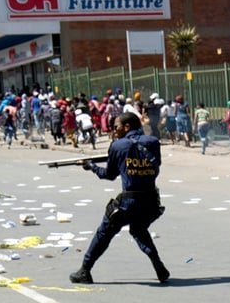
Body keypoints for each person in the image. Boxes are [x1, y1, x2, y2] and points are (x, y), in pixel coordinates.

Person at [69, 111, 170, 285]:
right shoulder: (153, 142)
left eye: (116, 127)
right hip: (151, 201)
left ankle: (85, 270)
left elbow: (109, 175)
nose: (114, 130)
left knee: (104, 232)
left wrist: (92, 167)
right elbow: (155, 165)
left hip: (129, 202)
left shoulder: (118, 146)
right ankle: (158, 265)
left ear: (126, 127)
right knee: (138, 230)